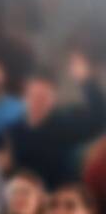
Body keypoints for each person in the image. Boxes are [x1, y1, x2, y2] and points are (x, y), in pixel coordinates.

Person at [6, 53, 106, 190]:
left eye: (44, 97)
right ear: (26, 94)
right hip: (26, 201)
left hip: (59, 200)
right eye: (35, 95)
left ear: (54, 99)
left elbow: (99, 119)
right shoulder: (13, 131)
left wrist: (85, 80)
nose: (38, 101)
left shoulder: (64, 125)